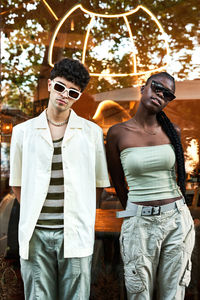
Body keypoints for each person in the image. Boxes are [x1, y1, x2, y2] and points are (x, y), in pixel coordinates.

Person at [9, 58, 110, 300]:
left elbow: (98, 184)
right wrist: (34, 213)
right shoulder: (22, 132)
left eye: (73, 92)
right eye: (60, 87)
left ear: (78, 97)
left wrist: (82, 218)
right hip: (36, 235)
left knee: (76, 296)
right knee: (37, 296)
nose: (64, 95)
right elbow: (16, 182)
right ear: (50, 85)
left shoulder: (91, 133)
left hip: (75, 232)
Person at [106, 72, 195, 300]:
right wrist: (135, 213)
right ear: (142, 87)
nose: (160, 95)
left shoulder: (172, 131)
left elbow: (178, 176)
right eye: (157, 87)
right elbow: (118, 182)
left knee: (173, 295)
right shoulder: (117, 133)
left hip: (176, 221)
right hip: (139, 225)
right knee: (139, 294)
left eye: (167, 95)